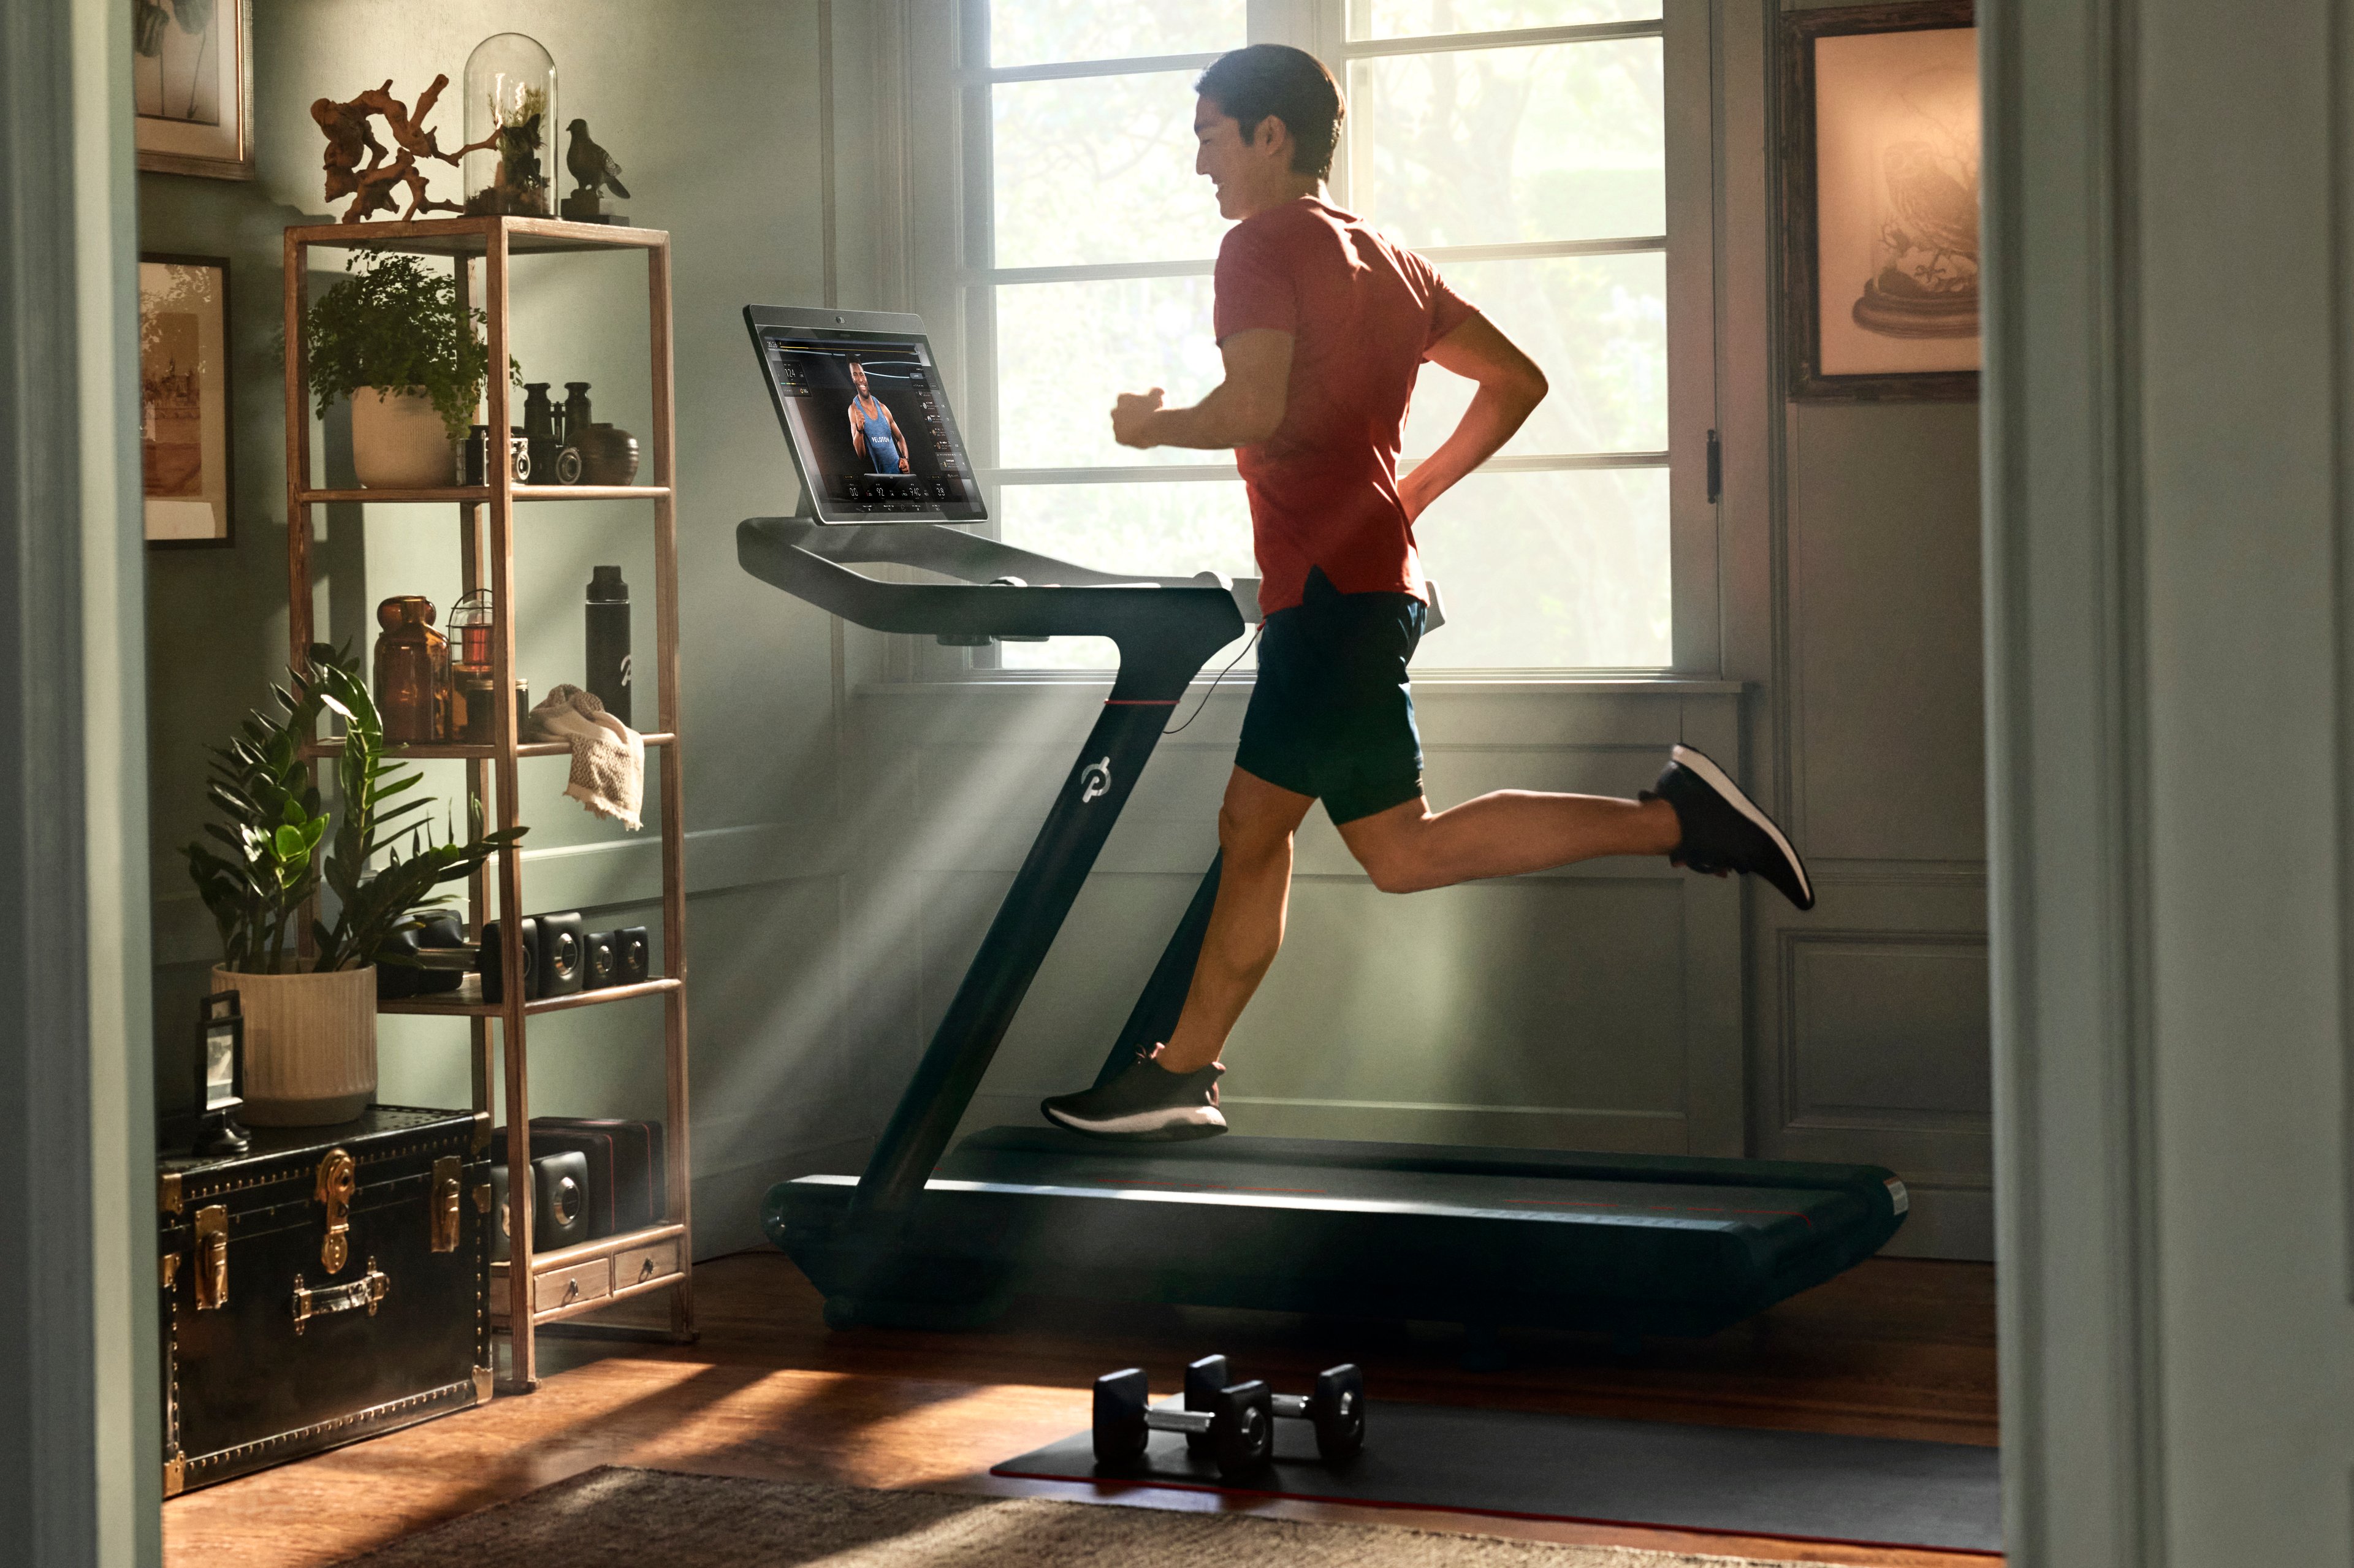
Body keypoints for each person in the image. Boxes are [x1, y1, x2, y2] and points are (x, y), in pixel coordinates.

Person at [1039, 44, 1813, 1143]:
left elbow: (1254, 407)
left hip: (1330, 595)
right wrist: (1410, 495)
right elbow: (1519, 381)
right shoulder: (1390, 258)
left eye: (1210, 132)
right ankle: (1677, 819)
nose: (1197, 159)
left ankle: (1180, 1070)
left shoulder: (1259, 244)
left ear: (1272, 135)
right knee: (1398, 851)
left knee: (1256, 827)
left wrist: (1150, 423)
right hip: (1371, 587)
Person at [845, 359, 910, 474]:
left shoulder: (883, 408)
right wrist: (860, 431)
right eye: (855, 375)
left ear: (866, 377)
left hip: (902, 477)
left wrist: (905, 459)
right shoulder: (854, 409)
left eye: (862, 375)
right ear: (852, 378)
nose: (860, 379)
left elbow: (900, 438)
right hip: (883, 482)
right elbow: (861, 455)